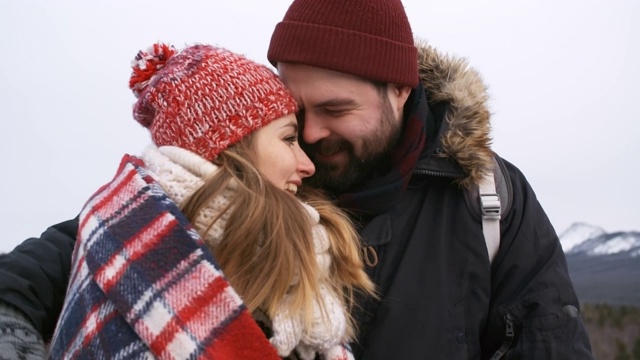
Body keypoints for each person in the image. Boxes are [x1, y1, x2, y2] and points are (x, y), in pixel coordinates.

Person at [0, 0, 594, 359]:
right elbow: (69, 258)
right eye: (292, 113)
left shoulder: (487, 198)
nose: (309, 137)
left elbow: (550, 343)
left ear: (400, 90)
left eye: (335, 111)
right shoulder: (256, 178)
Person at [45, 42, 374, 359]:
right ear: (228, 150)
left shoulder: (288, 250)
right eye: (288, 138)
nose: (309, 165)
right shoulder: (140, 255)